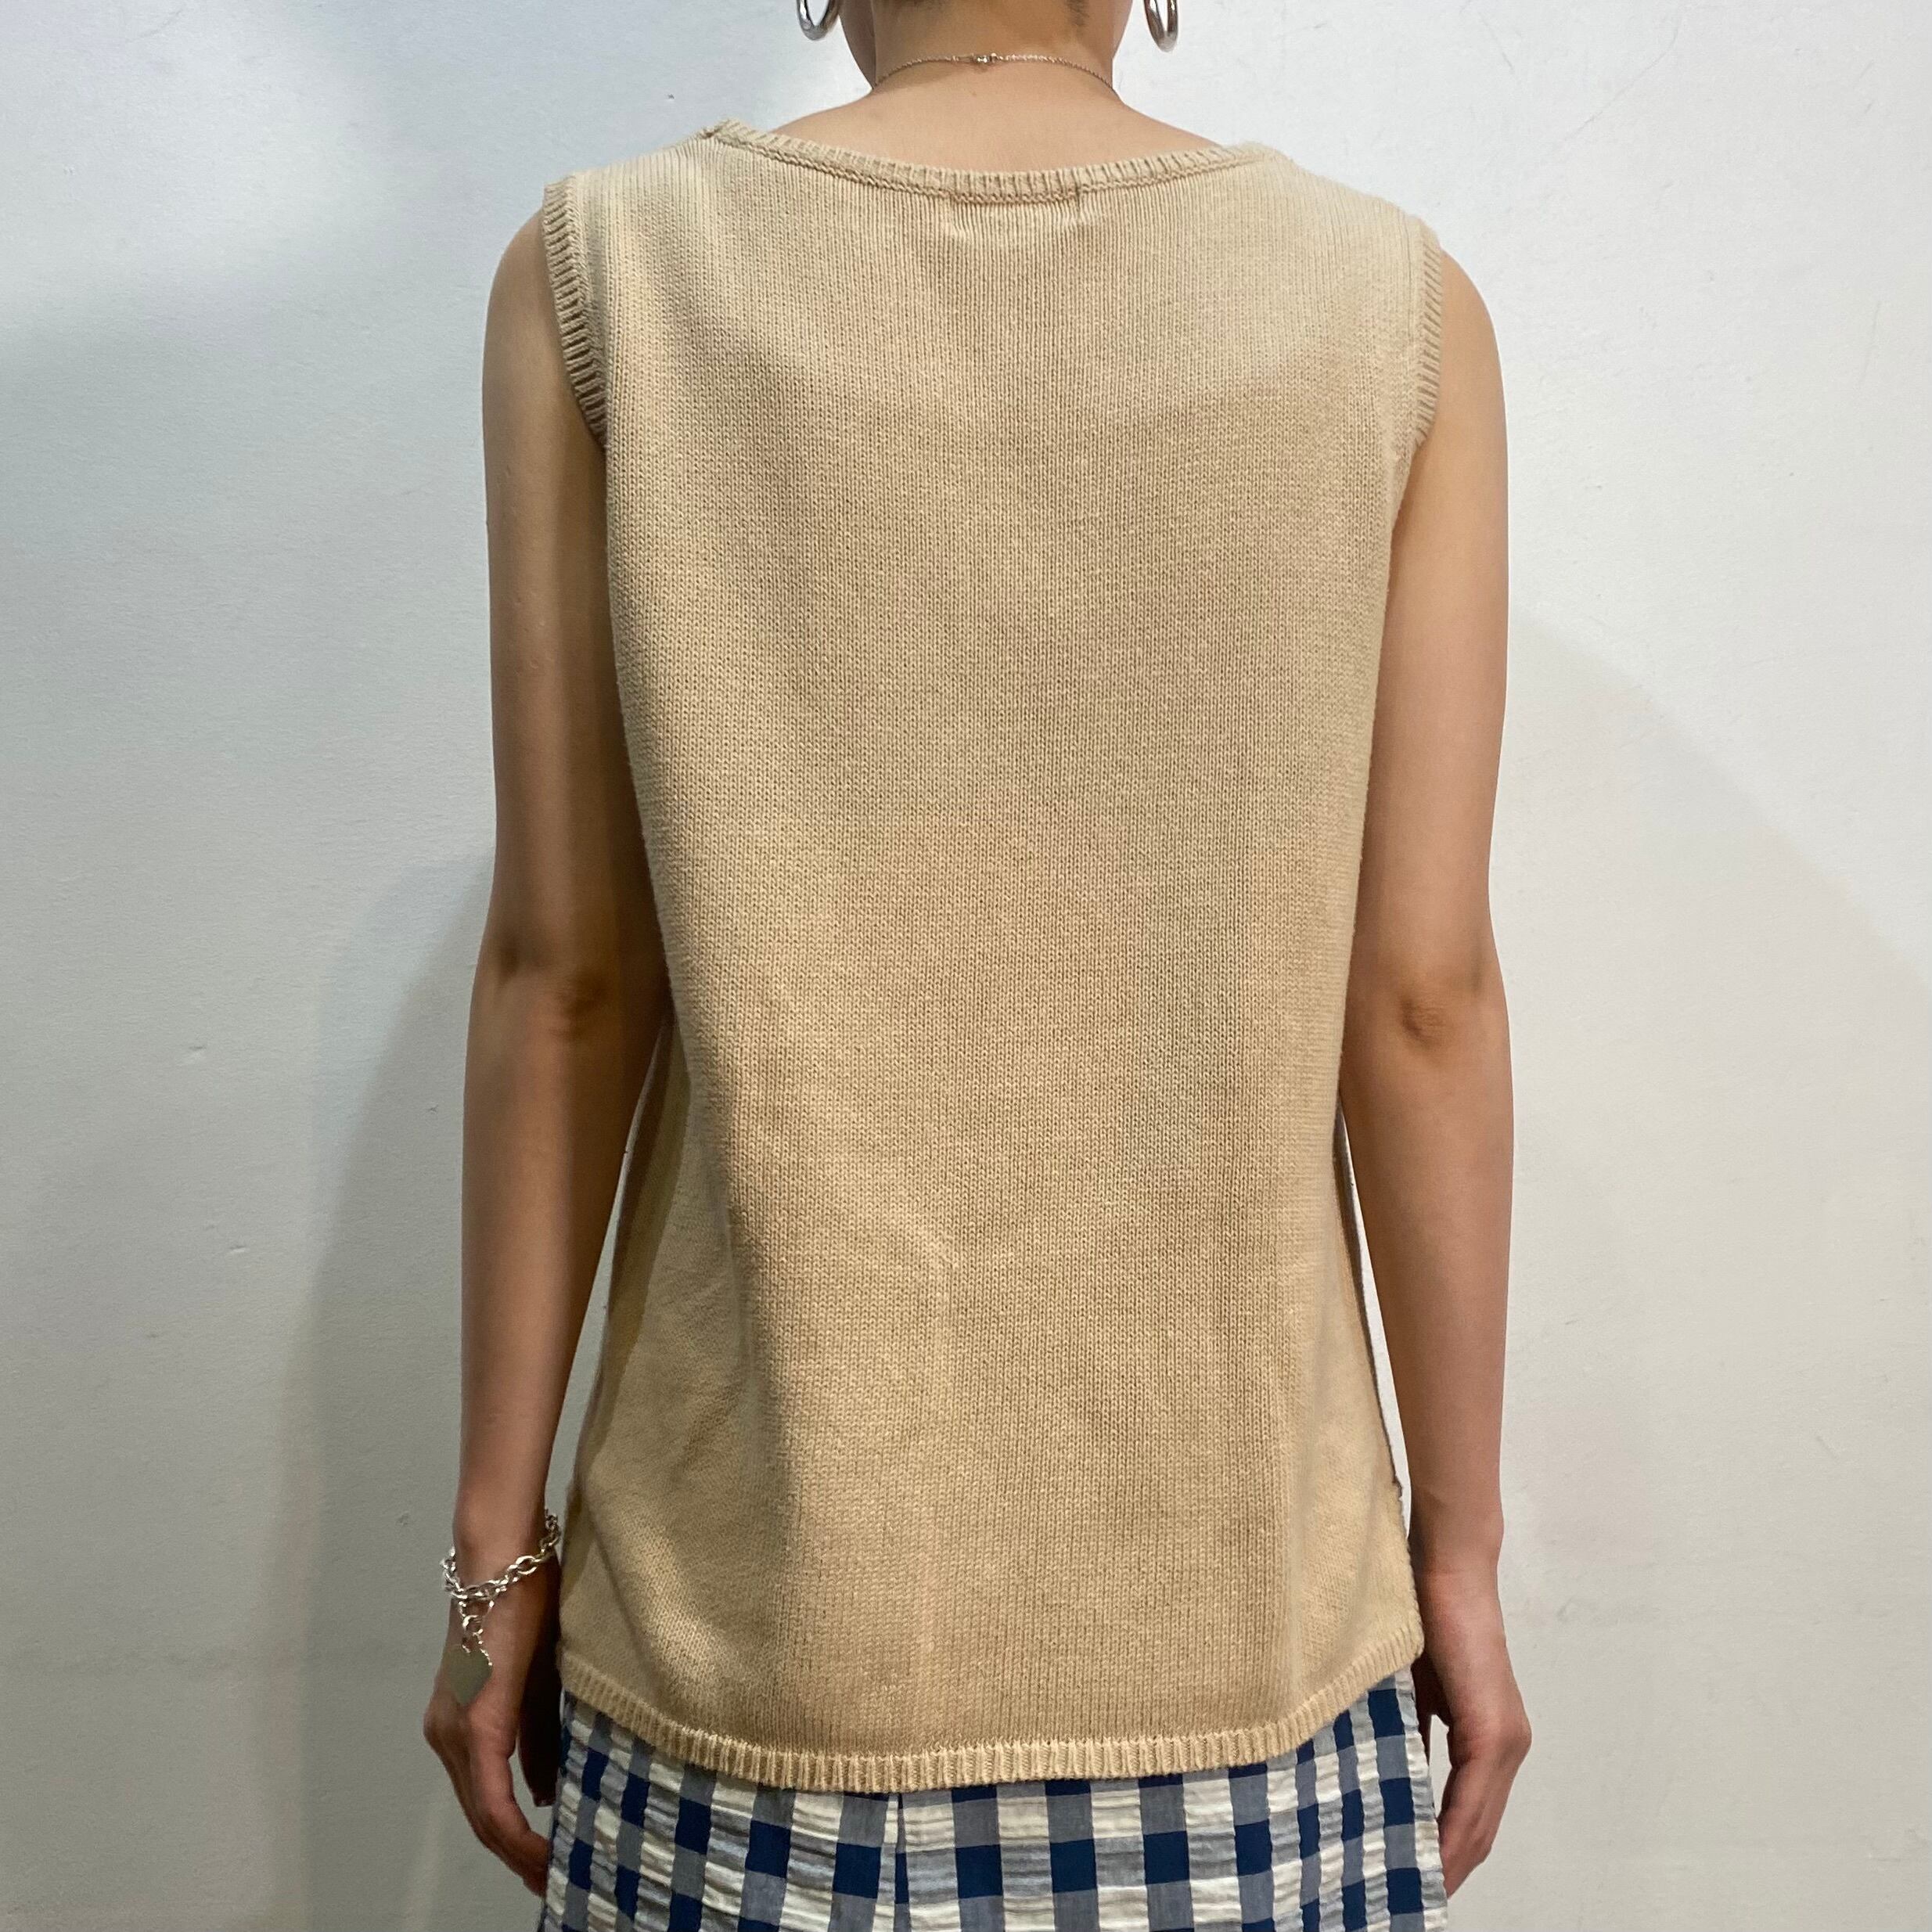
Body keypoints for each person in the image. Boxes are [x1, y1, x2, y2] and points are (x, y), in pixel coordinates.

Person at [421, 0, 1528, 1925]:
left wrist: (491, 1559)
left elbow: (566, 977)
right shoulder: (1390, 301)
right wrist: (1458, 1555)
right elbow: (1419, 1002)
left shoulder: (604, 271)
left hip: (747, 1659)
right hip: (1250, 1651)